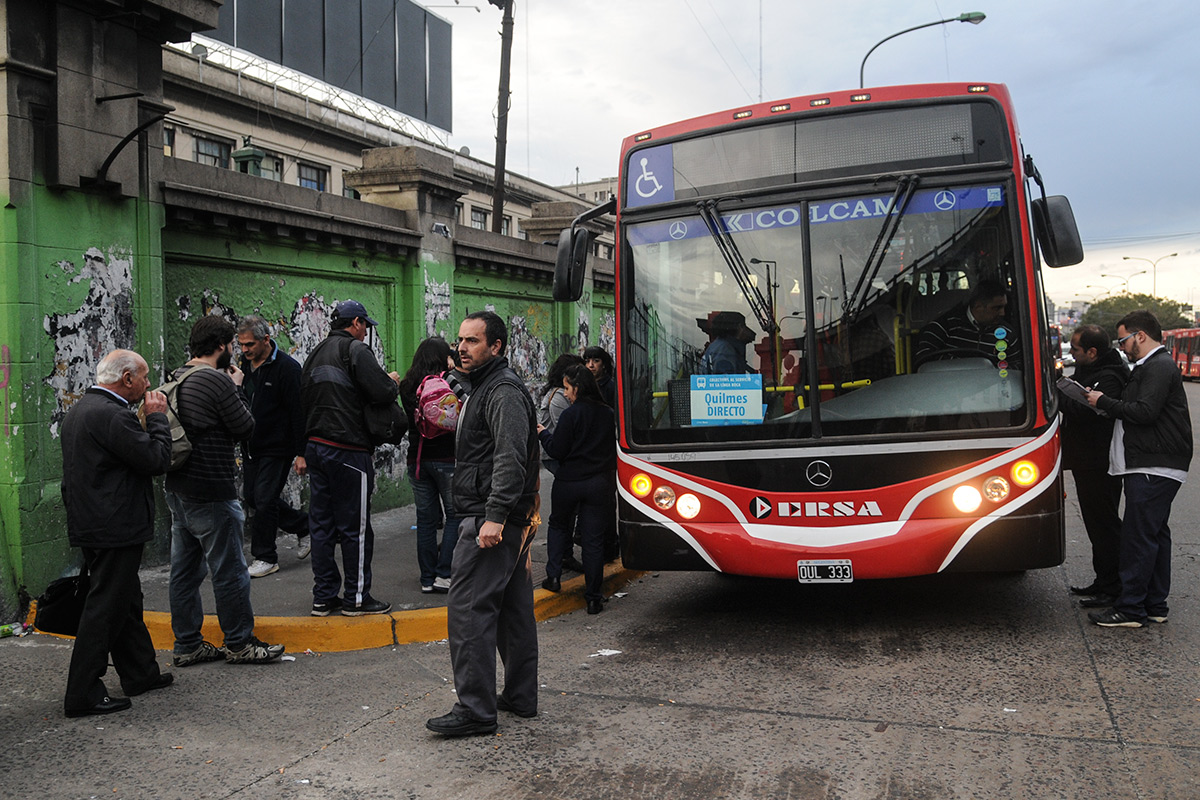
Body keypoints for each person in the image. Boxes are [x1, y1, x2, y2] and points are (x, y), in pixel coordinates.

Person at [427, 311, 541, 737]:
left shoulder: (502, 390)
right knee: (512, 612)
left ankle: (475, 709)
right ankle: (519, 697)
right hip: (508, 516)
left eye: (473, 341)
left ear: (496, 347)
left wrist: (493, 517)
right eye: (460, 340)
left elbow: (509, 458)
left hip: (493, 521)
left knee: (470, 612)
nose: (462, 348)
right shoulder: (485, 386)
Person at [60, 350, 173, 717]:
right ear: (126, 379)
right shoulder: (111, 415)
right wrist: (157, 419)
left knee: (125, 601)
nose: (147, 384)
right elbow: (156, 460)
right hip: (114, 526)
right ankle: (82, 693)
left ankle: (140, 673)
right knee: (106, 607)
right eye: (143, 377)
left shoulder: (82, 410)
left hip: (96, 522)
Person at [166, 316, 284, 666]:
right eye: (232, 345)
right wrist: (235, 386)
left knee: (184, 572)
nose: (236, 351)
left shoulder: (176, 377)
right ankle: (239, 642)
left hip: (179, 489)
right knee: (229, 570)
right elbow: (245, 426)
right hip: (211, 489)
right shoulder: (215, 382)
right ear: (221, 346)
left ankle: (187, 644)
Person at [1085, 310, 1193, 627]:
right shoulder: (1150, 366)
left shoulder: (1158, 366)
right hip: (1154, 463)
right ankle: (1155, 605)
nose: (1121, 347)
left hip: (1153, 464)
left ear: (1140, 336)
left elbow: (1144, 412)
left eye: (1124, 340)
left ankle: (1131, 609)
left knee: (1138, 538)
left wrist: (1103, 401)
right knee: (1154, 535)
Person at [300, 299, 401, 617]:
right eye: (366, 326)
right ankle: (356, 598)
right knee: (355, 528)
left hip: (316, 447)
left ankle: (323, 597)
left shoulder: (314, 353)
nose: (366, 331)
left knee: (322, 526)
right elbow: (384, 391)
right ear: (356, 323)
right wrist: (394, 382)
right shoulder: (356, 351)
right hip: (348, 449)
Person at [537, 364, 617, 613]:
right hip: (599, 484)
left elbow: (557, 450)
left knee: (559, 526)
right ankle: (593, 597)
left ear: (578, 388)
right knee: (593, 541)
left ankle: (553, 577)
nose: (566, 394)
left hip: (569, 482)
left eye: (568, 388)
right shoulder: (607, 413)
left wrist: (543, 434)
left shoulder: (571, 415)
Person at [1060, 325, 1129, 606]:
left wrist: (1058, 390)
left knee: (1105, 524)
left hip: (1101, 462)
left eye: (1075, 350)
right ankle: (1103, 581)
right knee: (1095, 523)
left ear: (1092, 352)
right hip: (1086, 460)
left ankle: (1114, 587)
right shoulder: (1091, 371)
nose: (1072, 356)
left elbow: (1086, 410)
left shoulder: (1111, 376)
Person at [237, 316, 310, 578]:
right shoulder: (242, 367)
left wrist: (302, 452)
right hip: (251, 445)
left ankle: (265, 556)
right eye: (242, 345)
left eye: (250, 344)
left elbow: (298, 412)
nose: (245, 350)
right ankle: (305, 525)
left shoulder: (288, 368)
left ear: (266, 340)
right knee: (253, 497)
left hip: (278, 446)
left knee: (265, 499)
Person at [399, 337, 460, 594]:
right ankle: (444, 574)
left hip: (417, 460)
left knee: (425, 521)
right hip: (446, 459)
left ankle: (426, 578)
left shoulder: (407, 385)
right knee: (455, 515)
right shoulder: (449, 381)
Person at [538, 353, 586, 573]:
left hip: (558, 455)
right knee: (566, 510)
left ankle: (564, 555)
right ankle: (563, 556)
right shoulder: (558, 396)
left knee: (569, 509)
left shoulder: (559, 394)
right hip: (555, 456)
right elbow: (565, 431)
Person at [913, 279, 1023, 371]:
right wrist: (963, 366)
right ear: (978, 307)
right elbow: (923, 356)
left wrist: (994, 370)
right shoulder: (946, 325)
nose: (1003, 313)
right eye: (997, 308)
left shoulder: (1007, 333)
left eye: (1004, 307)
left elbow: (1017, 366)